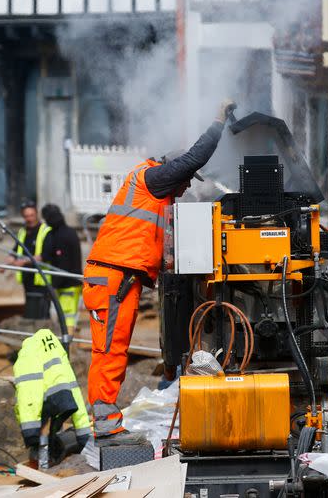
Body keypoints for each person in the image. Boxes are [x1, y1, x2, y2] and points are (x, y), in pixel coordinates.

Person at [83, 99, 236, 441]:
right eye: (185, 181)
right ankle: (105, 424)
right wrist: (218, 120)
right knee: (110, 351)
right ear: (173, 171)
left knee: (111, 349)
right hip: (112, 278)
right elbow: (195, 158)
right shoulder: (153, 177)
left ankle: (106, 421)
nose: (186, 188)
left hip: (116, 278)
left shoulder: (150, 188)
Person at [14, 328, 90, 468]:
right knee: (49, 427)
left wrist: (30, 432)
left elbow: (28, 393)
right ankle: (45, 459)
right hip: (62, 396)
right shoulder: (57, 351)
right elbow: (74, 390)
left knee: (42, 430)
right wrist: (83, 435)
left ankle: (43, 463)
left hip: (41, 401)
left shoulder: (26, 355)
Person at [40, 204, 83, 335]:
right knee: (63, 316)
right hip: (67, 282)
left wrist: (53, 286)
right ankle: (67, 338)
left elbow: (63, 264)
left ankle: (68, 342)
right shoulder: (66, 232)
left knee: (68, 316)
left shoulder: (62, 236)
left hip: (69, 284)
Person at [8, 202, 52, 319]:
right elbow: (15, 249)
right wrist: (9, 260)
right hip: (27, 277)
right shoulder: (23, 231)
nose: (29, 219)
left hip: (41, 278)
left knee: (42, 310)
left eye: (32, 215)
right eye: (26, 216)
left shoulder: (45, 230)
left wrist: (24, 261)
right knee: (30, 308)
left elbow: (46, 255)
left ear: (36, 214)